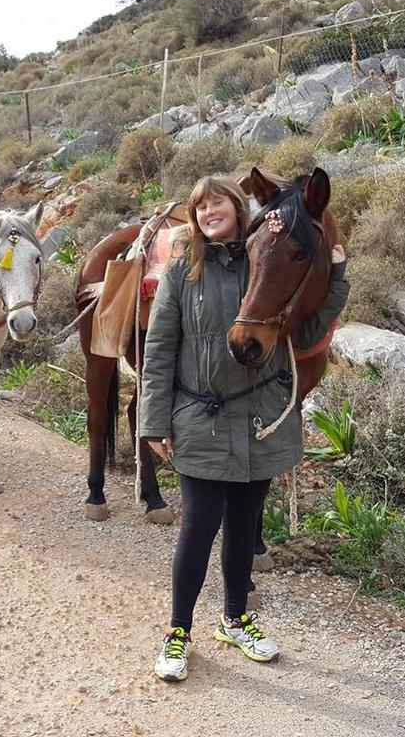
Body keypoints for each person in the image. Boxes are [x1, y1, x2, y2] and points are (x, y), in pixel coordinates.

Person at [139, 175, 349, 682]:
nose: (209, 213)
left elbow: (308, 331)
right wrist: (154, 421)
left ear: (239, 208)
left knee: (243, 527)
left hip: (259, 421)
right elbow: (160, 348)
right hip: (201, 421)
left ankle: (235, 621)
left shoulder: (263, 260)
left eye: (218, 204)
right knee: (197, 529)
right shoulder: (183, 271)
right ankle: (178, 632)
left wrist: (338, 277)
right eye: (201, 207)